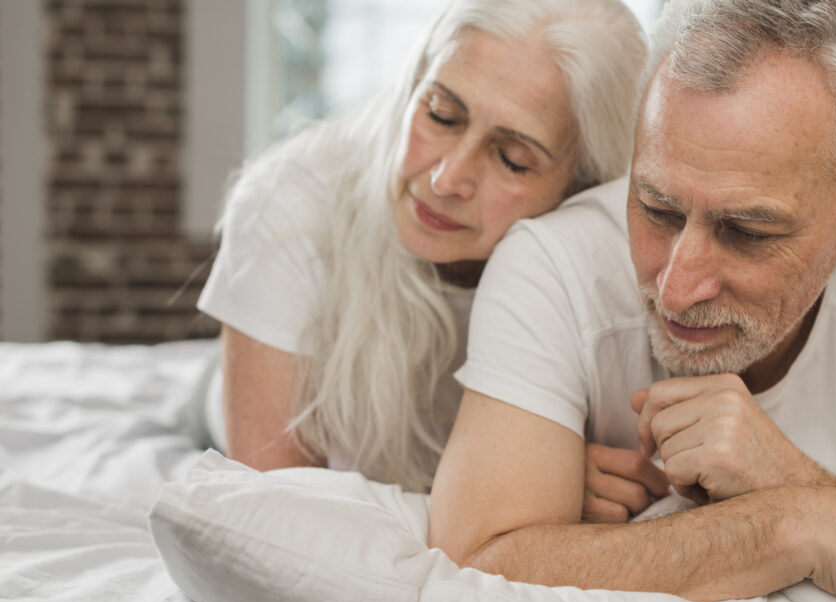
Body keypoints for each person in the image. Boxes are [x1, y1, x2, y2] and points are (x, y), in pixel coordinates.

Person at [428, 0, 836, 602]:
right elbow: (475, 564)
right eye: (657, 208)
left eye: (747, 231)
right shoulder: (552, 265)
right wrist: (791, 525)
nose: (677, 287)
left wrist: (794, 486)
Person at [193, 0, 649, 493]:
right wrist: (529, 484)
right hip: (213, 407)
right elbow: (277, 504)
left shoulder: (611, 266)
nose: (446, 178)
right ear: (411, 89)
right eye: (441, 114)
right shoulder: (290, 202)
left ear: (581, 188)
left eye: (512, 160)